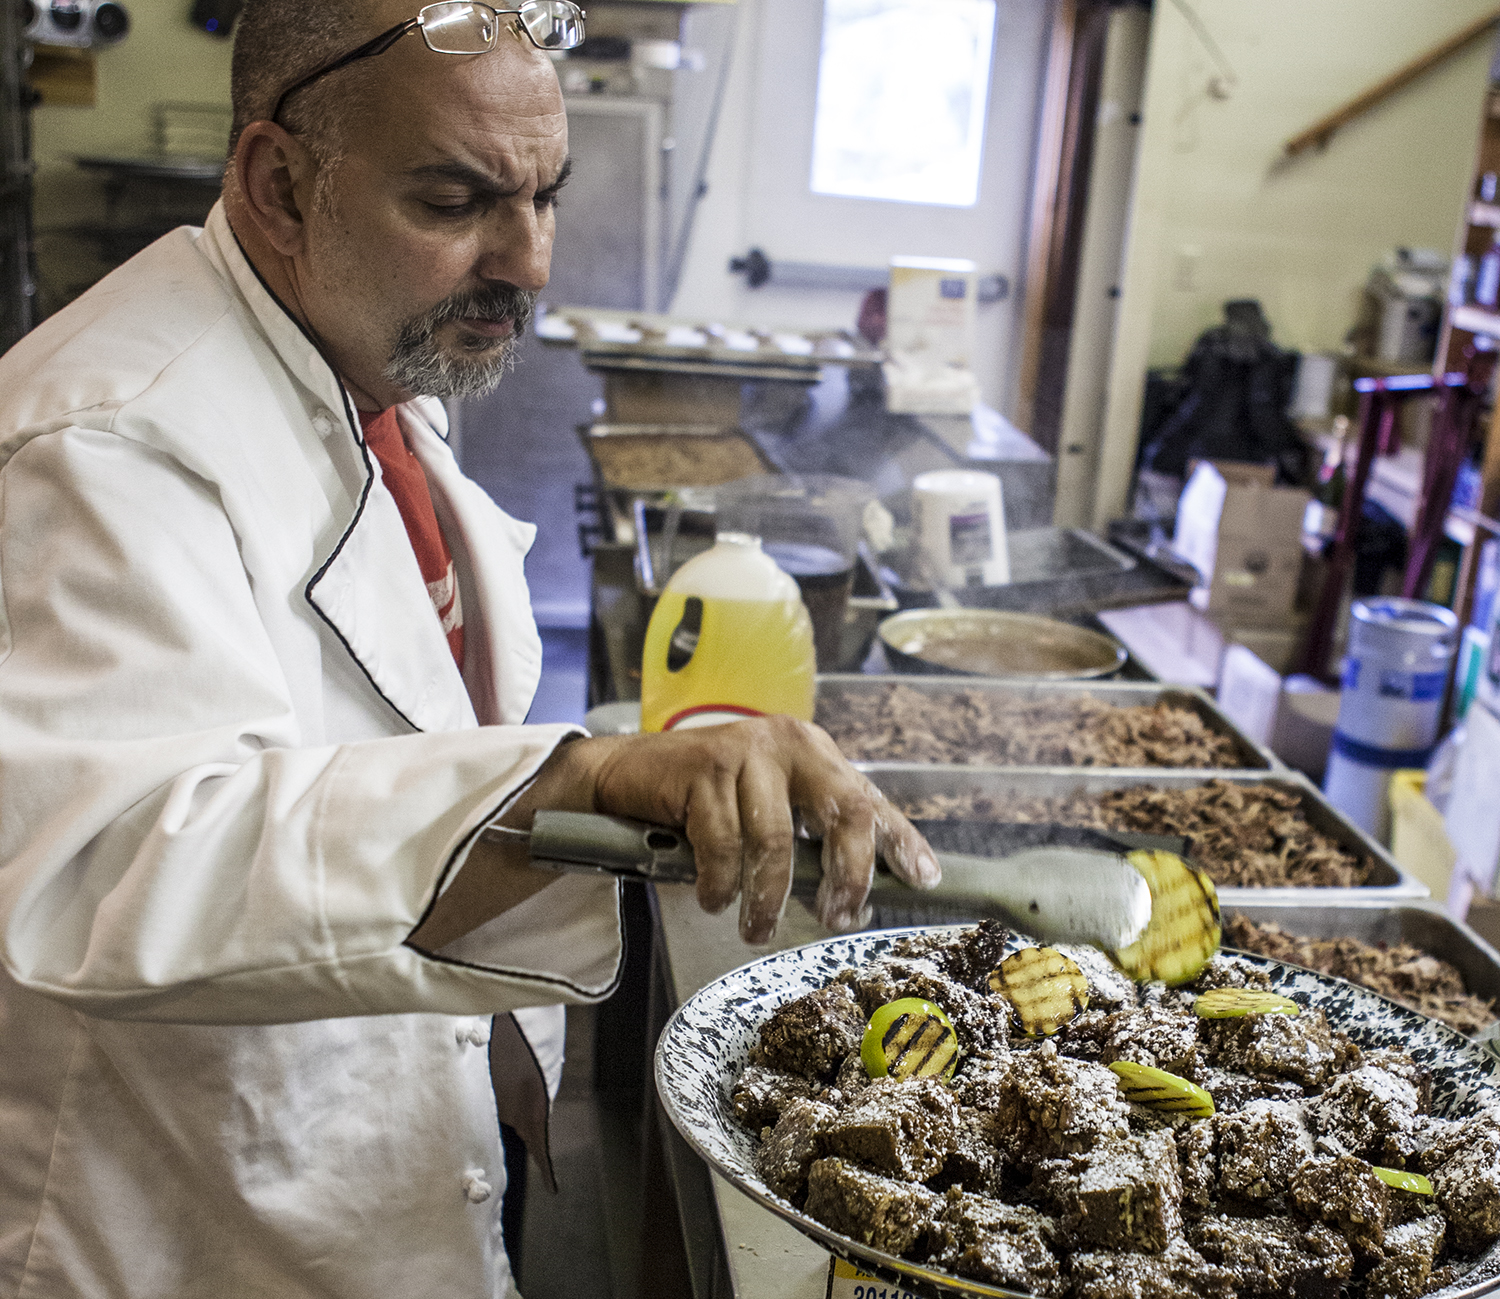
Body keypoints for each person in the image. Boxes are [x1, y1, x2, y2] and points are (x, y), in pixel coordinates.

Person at [0, 1, 938, 1295]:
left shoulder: (356, 365)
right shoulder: (98, 444)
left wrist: (626, 794)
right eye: (456, 202)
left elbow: (400, 740)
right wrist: (579, 781)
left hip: (391, 1164)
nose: (532, 259)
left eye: (545, 196)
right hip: (200, 1226)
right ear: (280, 182)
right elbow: (105, 872)